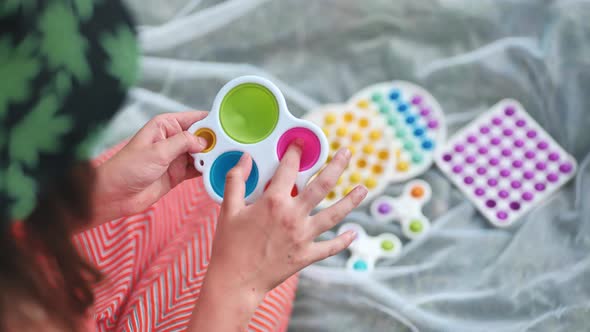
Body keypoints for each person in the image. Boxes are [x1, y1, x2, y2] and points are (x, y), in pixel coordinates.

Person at [0, 1, 366, 331]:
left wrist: (95, 198)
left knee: (215, 195)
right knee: (262, 234)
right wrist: (238, 285)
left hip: (30, 259)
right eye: (67, 152)